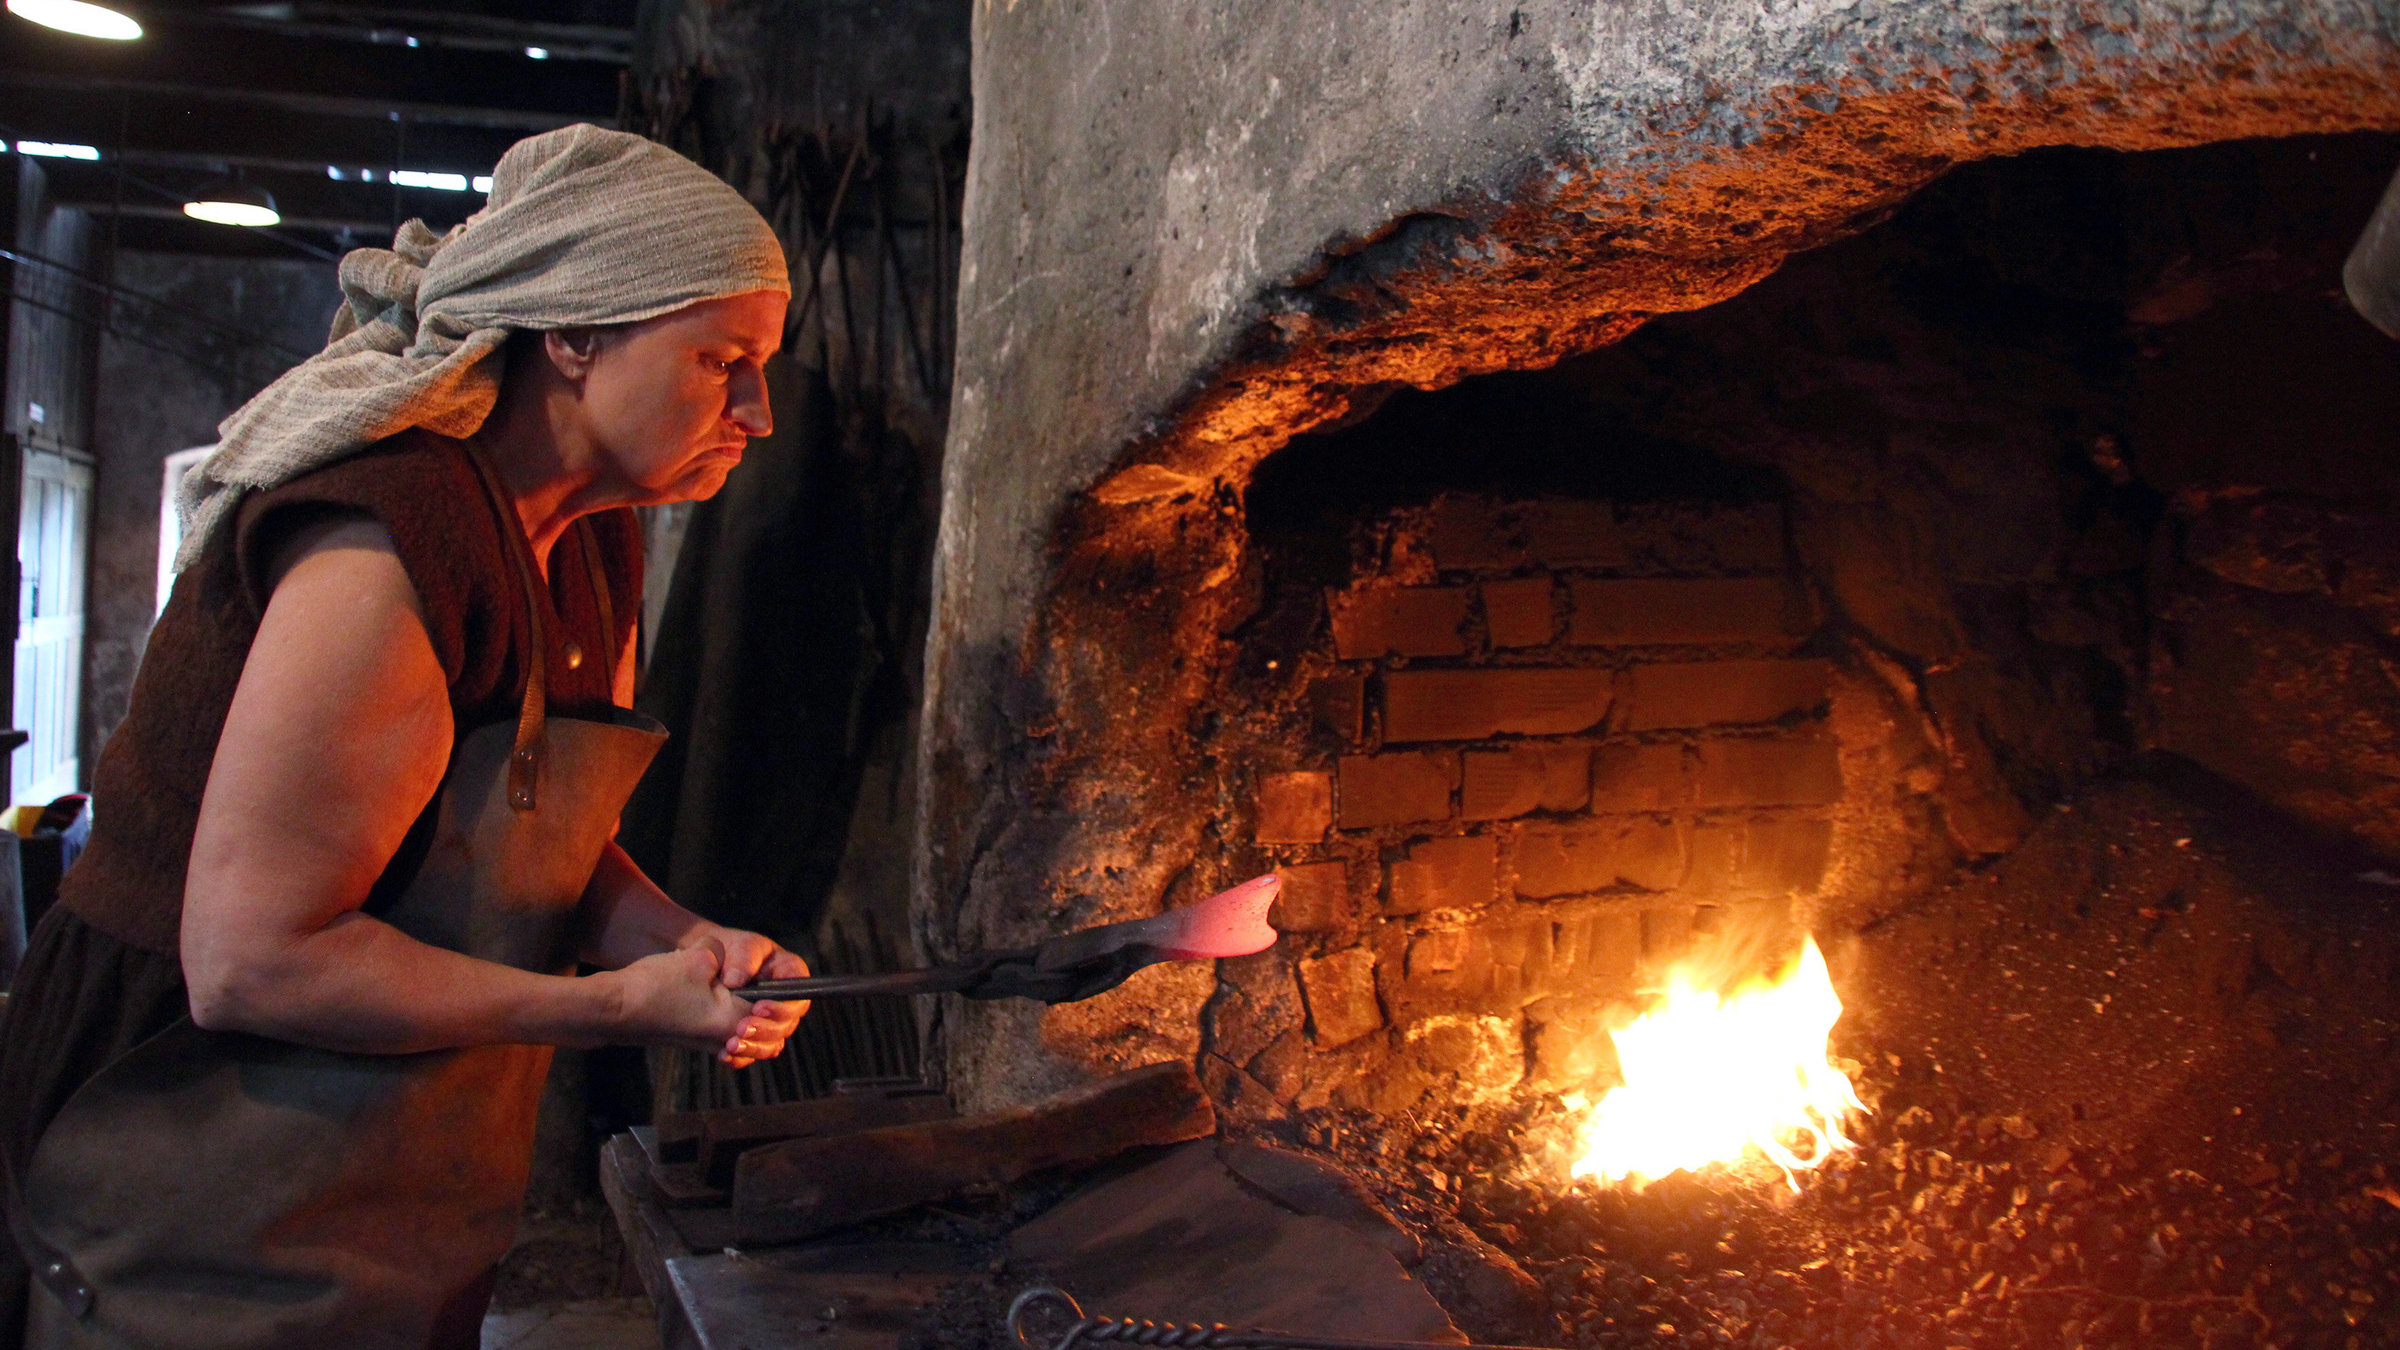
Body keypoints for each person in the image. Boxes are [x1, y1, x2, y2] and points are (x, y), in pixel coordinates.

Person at [0, 124, 813, 1349]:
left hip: (379, 1157)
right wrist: (611, 1008)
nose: (755, 412)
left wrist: (679, 939)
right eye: (720, 361)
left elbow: (517, 835)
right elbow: (255, 961)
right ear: (575, 335)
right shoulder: (388, 541)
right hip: (182, 1133)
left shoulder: (593, 535)